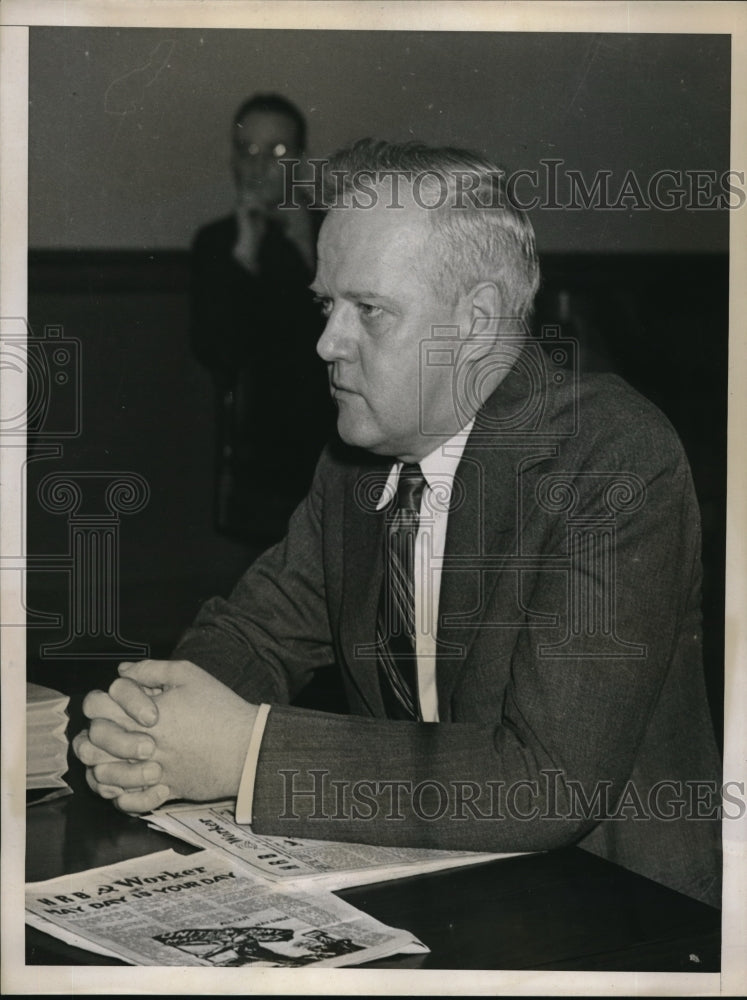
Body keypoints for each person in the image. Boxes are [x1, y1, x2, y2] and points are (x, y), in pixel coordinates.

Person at [74, 139, 722, 909]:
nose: (326, 343)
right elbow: (253, 634)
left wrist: (244, 752)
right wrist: (153, 732)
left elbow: (546, 782)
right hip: (439, 886)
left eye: (368, 311)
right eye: (326, 304)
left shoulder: (611, 458)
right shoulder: (359, 460)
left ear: (475, 322)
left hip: (616, 917)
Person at [190, 93, 333, 547]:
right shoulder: (217, 242)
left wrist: (309, 251)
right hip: (266, 431)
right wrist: (244, 259)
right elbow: (219, 352)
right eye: (247, 150)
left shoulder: (335, 228)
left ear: (301, 160)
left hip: (340, 420)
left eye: (277, 152)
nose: (259, 167)